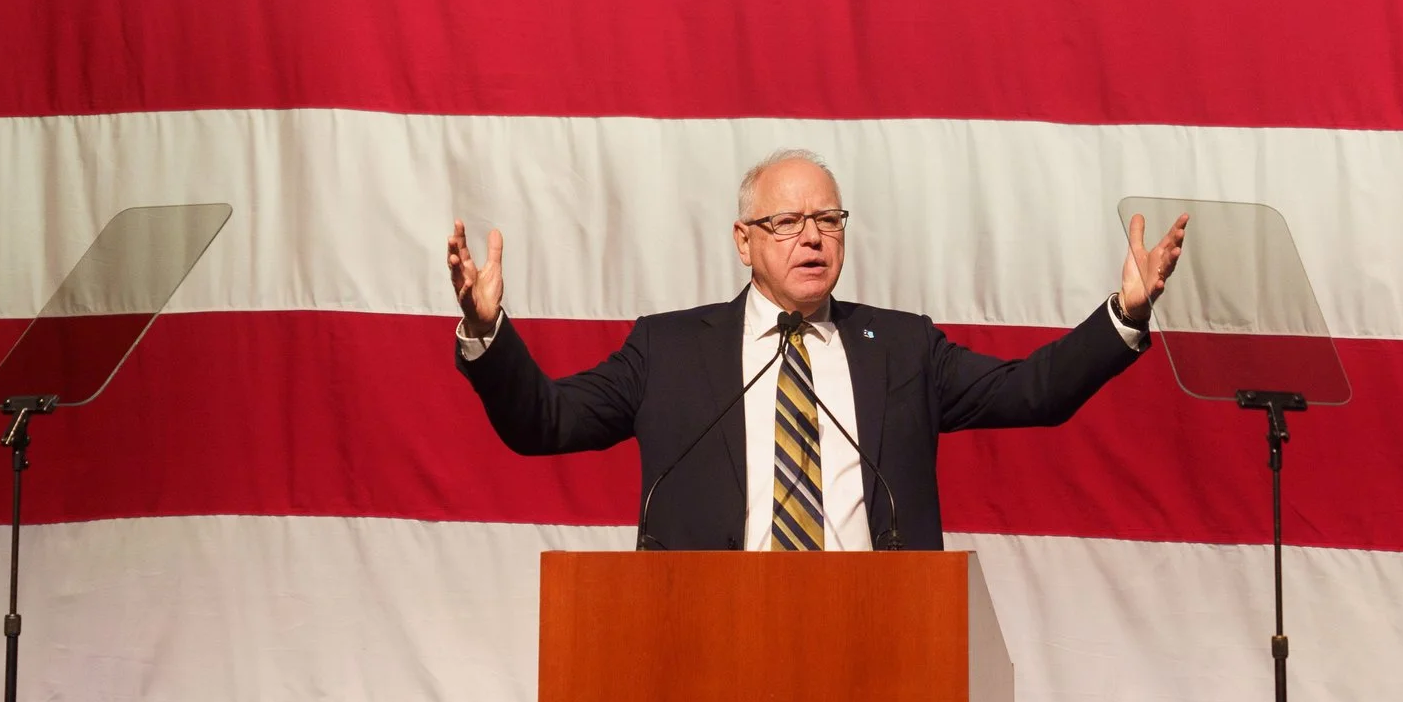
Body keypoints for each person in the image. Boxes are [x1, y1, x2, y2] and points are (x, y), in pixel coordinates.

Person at [445, 148, 1189, 550]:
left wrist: (1123, 310)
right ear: (744, 240)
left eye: (828, 219)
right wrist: (487, 332)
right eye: (789, 221)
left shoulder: (901, 347)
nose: (812, 236)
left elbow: (1036, 392)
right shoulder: (668, 349)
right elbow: (542, 422)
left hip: (882, 637)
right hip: (708, 638)